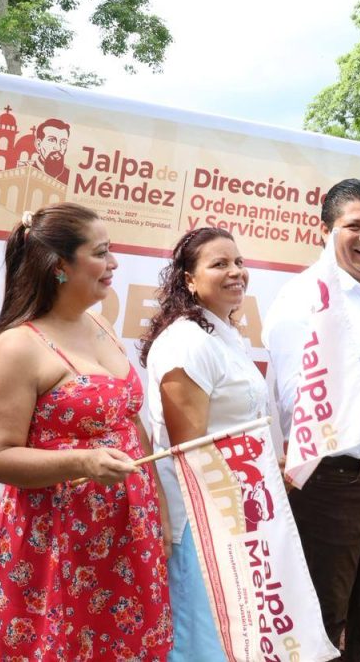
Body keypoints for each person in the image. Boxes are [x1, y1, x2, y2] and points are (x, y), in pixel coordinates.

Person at [0, 203, 172, 660]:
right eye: (100, 253)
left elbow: (130, 422)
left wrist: (157, 508)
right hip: (58, 543)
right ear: (59, 265)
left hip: (128, 536)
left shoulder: (100, 324)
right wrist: (82, 461)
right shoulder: (18, 346)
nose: (114, 263)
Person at [262, 178, 360, 661]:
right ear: (326, 231)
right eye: (354, 226)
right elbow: (294, 400)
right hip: (333, 484)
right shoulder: (305, 299)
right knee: (321, 623)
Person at [139, 227, 265, 662]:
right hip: (200, 525)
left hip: (232, 517)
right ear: (189, 280)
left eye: (239, 262)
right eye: (220, 264)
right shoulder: (187, 343)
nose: (236, 272)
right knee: (198, 647)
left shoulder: (222, 335)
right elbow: (189, 454)